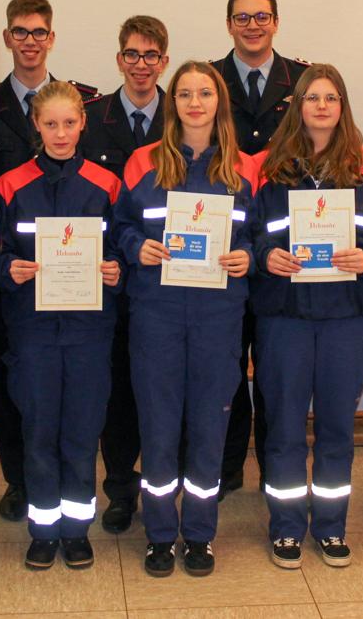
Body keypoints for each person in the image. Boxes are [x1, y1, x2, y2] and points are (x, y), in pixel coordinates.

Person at [249, 65, 363, 569]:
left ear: (343, 106)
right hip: (285, 319)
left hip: (346, 318)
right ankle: (286, 528)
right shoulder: (266, 169)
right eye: (312, 97)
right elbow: (247, 232)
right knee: (284, 429)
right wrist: (265, 256)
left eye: (331, 97)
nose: (321, 106)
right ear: (297, 106)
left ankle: (332, 527)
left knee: (338, 427)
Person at [114, 61, 255, 577]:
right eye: (185, 94)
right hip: (157, 314)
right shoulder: (142, 162)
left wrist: (248, 257)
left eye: (205, 93)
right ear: (171, 102)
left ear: (220, 102)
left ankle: (199, 534)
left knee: (209, 425)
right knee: (157, 424)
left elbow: (262, 235)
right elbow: (119, 226)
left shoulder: (245, 167)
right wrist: (136, 246)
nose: (195, 103)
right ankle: (158, 536)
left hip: (219, 316)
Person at [0, 0, 97, 523]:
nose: (30, 41)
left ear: (51, 38)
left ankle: (66, 488)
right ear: (7, 37)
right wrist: (2, 268)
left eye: (39, 32)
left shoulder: (82, 100)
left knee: (76, 400)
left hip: (78, 298)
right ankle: (20, 482)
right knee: (12, 386)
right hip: (17, 287)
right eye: (20, 31)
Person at [0, 81, 123, 569]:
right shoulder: (9, 186)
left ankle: (77, 529)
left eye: (69, 123)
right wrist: (8, 269)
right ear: (36, 125)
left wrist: (117, 269)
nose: (61, 133)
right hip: (33, 331)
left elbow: (125, 246)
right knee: (40, 431)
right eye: (51, 124)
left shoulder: (107, 185)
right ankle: (44, 530)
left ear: (83, 123)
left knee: (83, 432)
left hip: (90, 330)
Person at [212, 0, 309, 500]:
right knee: (226, 371)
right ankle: (226, 469)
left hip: (280, 247)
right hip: (224, 247)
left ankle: (276, 469)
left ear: (276, 22)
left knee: (275, 371)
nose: (252, 26)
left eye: (262, 16)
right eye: (242, 17)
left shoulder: (304, 80)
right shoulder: (209, 80)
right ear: (229, 24)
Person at [80, 15, 168, 533]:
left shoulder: (182, 119)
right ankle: (119, 488)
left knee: (159, 390)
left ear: (164, 62)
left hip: (165, 280)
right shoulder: (91, 118)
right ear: (119, 59)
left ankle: (161, 483)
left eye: (151, 55)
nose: (141, 64)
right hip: (106, 277)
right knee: (116, 392)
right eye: (132, 54)